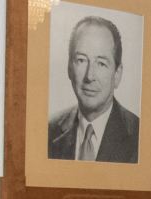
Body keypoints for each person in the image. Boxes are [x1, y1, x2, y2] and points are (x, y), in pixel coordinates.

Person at [47, 16, 140, 163]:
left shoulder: (140, 135)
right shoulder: (48, 130)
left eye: (101, 63)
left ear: (117, 74)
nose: (89, 76)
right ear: (69, 68)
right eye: (81, 60)